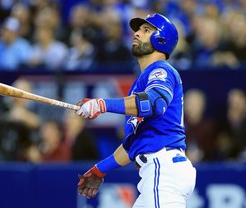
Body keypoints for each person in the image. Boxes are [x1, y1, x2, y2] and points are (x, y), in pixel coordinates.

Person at [76, 13, 196, 207]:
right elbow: (132, 145)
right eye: (138, 29)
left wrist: (102, 104)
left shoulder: (161, 70)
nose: (137, 33)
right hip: (159, 170)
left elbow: (155, 103)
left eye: (146, 30)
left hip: (162, 168)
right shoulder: (142, 82)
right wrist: (100, 169)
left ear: (162, 39)